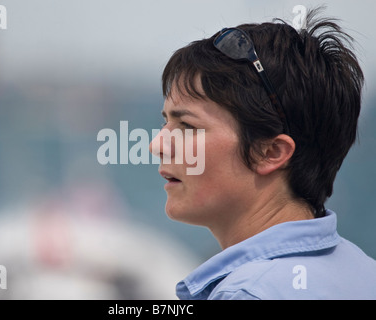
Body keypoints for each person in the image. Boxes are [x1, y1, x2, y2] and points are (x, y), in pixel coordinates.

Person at [149, 7, 376, 300]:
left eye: (187, 126)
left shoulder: (246, 293)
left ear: (271, 152)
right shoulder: (364, 273)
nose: (157, 145)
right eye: (165, 122)